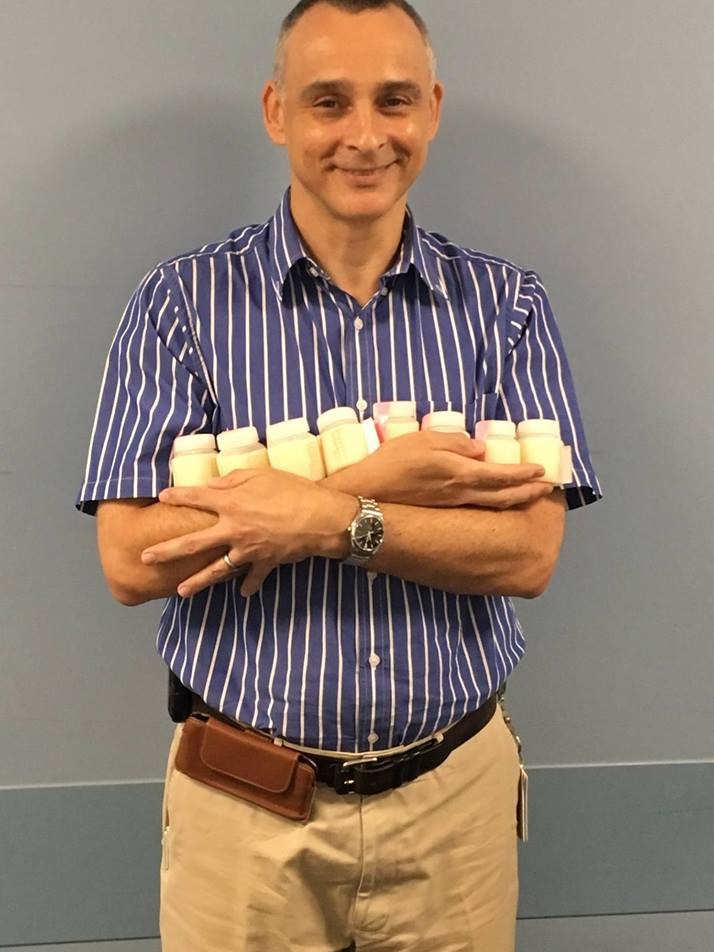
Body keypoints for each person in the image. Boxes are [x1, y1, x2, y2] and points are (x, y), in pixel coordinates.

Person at [76, 1, 602, 949]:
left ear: (432, 109)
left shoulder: (507, 308)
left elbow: (526, 551)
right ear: (278, 112)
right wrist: (388, 477)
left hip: (455, 808)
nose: (365, 135)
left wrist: (323, 515)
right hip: (243, 813)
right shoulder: (181, 307)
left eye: (393, 100)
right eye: (330, 102)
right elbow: (128, 557)